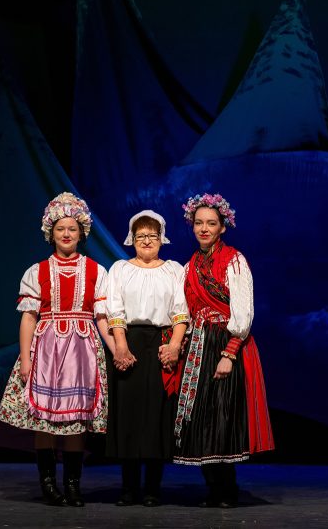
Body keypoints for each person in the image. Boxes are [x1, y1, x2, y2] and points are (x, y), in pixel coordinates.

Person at [0, 192, 116, 507]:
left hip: (82, 351)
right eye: (60, 228)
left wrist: (117, 349)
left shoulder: (96, 271)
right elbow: (28, 318)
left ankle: (73, 484)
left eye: (72, 229)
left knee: (76, 420)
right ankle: (48, 483)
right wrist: (26, 359)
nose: (66, 234)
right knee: (45, 420)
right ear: (51, 233)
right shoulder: (37, 271)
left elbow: (102, 317)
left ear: (81, 233)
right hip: (47, 351)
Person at [173, 192, 274, 508]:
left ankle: (227, 489)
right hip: (199, 346)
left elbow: (243, 311)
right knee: (199, 415)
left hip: (225, 343)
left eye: (211, 223)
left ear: (222, 227)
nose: (204, 229)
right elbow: (184, 311)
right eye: (199, 223)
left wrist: (229, 353)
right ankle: (212, 488)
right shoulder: (189, 266)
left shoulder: (234, 260)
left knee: (222, 416)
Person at [105, 210, 189, 507]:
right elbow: (114, 308)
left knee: (157, 414)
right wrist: (120, 346)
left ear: (162, 238)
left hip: (162, 342)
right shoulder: (120, 269)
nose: (147, 241)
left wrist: (174, 345)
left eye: (152, 235)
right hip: (128, 341)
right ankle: (128, 487)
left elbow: (181, 310)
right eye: (141, 236)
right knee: (128, 413)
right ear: (132, 239)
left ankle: (153, 488)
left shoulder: (174, 270)